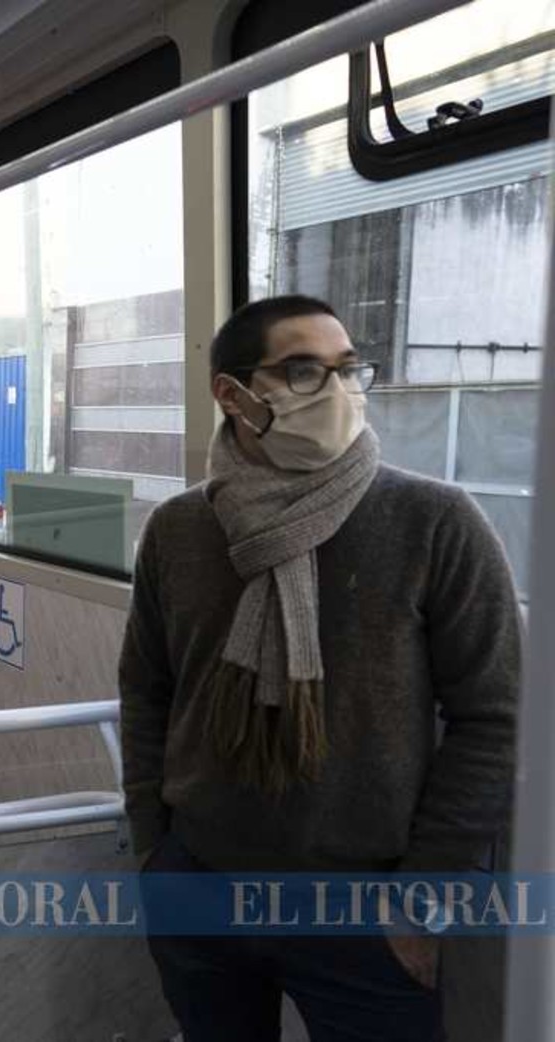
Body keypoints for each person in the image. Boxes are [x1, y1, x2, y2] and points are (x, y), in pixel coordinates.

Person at [120, 295, 520, 1041]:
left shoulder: (435, 521)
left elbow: (493, 715)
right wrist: (153, 850)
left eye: (345, 368)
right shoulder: (178, 531)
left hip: (365, 904)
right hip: (200, 880)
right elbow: (147, 690)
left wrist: (421, 898)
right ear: (232, 395)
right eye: (302, 371)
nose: (336, 391)